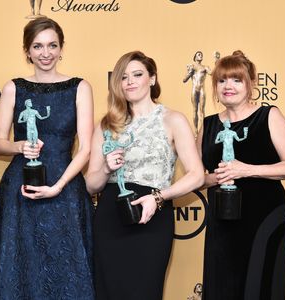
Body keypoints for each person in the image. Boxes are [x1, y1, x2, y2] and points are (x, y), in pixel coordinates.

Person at [0, 17, 94, 299]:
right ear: (27, 51)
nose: (45, 53)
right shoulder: (13, 88)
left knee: (66, 266)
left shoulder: (80, 87)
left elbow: (85, 148)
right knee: (21, 266)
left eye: (52, 45)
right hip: (21, 191)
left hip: (65, 188)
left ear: (61, 48)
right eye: (37, 46)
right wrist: (19, 146)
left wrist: (59, 186)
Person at [86, 51, 204, 300]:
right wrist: (106, 168)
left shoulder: (173, 120)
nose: (130, 81)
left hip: (152, 216)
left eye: (137, 74)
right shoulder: (107, 124)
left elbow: (196, 175)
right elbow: (90, 185)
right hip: (110, 217)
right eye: (123, 77)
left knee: (145, 291)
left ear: (152, 79)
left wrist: (158, 197)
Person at [197, 50, 285, 300]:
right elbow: (197, 177)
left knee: (260, 287)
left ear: (251, 83)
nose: (228, 86)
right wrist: (218, 177)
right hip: (221, 222)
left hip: (263, 219)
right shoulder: (209, 124)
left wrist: (246, 170)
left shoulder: (268, 116)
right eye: (221, 81)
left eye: (236, 80)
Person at [183, 51, 216, 135]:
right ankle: (196, 132)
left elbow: (212, 73)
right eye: (198, 54)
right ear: (195, 57)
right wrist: (190, 72)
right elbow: (184, 80)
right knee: (194, 110)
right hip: (194, 89)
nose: (200, 56)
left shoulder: (205, 67)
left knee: (202, 110)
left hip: (201, 89)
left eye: (201, 54)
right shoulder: (192, 66)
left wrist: (216, 61)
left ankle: (202, 131)